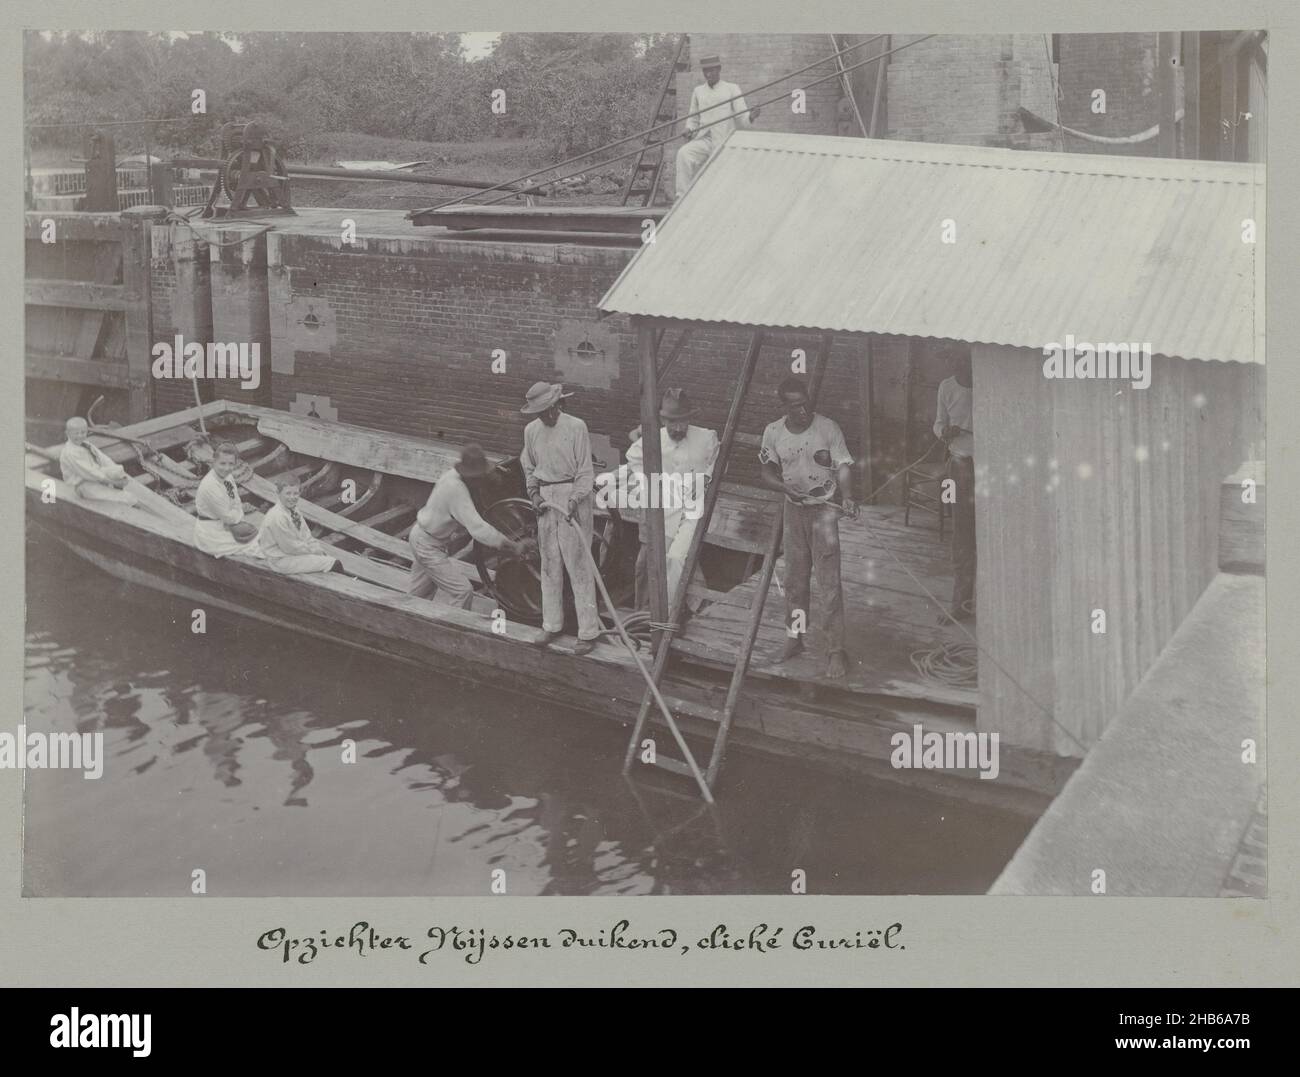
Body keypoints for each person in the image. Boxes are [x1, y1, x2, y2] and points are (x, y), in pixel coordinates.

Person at [759, 376, 857, 679]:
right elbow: (766, 471)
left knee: (829, 584)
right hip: (794, 512)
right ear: (784, 406)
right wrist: (784, 489)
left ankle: (836, 651)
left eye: (805, 404)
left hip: (824, 513)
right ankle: (794, 638)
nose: (801, 411)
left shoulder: (828, 428)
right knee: (794, 582)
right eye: (794, 406)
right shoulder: (773, 432)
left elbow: (842, 465)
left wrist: (849, 496)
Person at [519, 381, 601, 655]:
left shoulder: (576, 427)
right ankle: (551, 624)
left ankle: (588, 632)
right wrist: (534, 495)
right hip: (546, 498)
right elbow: (528, 466)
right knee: (549, 564)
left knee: (579, 565)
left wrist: (575, 500)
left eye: (548, 410)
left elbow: (586, 471)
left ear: (557, 405)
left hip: (573, 497)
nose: (545, 416)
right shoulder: (531, 431)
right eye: (539, 413)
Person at [625, 388, 719, 610]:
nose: (678, 428)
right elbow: (633, 459)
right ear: (662, 419)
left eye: (683, 422)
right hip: (664, 510)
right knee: (651, 561)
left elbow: (717, 461)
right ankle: (653, 611)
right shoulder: (652, 439)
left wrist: (705, 480)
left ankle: (671, 611)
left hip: (692, 511)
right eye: (672, 423)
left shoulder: (706, 437)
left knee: (677, 558)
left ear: (689, 419)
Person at [407, 444, 526, 608]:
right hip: (427, 546)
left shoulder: (453, 475)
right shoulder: (455, 489)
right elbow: (477, 528)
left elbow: (486, 480)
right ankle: (455, 629)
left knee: (418, 595)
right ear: (469, 475)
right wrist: (512, 546)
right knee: (462, 591)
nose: (480, 480)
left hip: (423, 537)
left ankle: (407, 618)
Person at [674, 54, 761, 199]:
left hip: (724, 140)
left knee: (723, 180)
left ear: (719, 69)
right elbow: (693, 117)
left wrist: (751, 116)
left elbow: (741, 116)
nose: (709, 74)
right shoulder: (698, 91)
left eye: (712, 70)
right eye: (705, 71)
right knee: (684, 153)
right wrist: (689, 128)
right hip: (704, 139)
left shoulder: (731, 88)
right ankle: (681, 197)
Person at [933, 348, 976, 621]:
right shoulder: (946, 387)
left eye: (963, 356)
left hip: (992, 468)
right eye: (953, 357)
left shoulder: (989, 384)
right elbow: (938, 423)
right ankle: (960, 605)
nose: (958, 362)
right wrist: (943, 432)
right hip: (959, 467)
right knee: (962, 537)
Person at [194, 441, 263, 558]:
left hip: (227, 524)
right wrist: (235, 518)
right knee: (255, 546)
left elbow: (236, 501)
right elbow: (227, 516)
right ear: (214, 462)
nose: (226, 468)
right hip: (211, 533)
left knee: (262, 537)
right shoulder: (210, 486)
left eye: (231, 464)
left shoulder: (228, 477)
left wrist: (235, 517)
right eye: (222, 463)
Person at [257, 476, 339, 574]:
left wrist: (316, 548)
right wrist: (313, 551)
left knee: (325, 556)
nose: (292, 498)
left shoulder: (294, 510)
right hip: (281, 560)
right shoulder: (277, 516)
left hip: (293, 553)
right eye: (288, 493)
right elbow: (290, 547)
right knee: (333, 563)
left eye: (295, 493)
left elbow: (306, 534)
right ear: (278, 494)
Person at [59, 417, 139, 507]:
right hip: (82, 485)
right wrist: (113, 482)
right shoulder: (70, 452)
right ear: (67, 433)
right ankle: (127, 503)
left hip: (96, 477)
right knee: (125, 498)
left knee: (119, 470)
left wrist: (118, 473)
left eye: (83, 432)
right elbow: (89, 472)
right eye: (76, 433)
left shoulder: (86, 445)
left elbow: (104, 459)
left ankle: (117, 489)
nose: (80, 436)